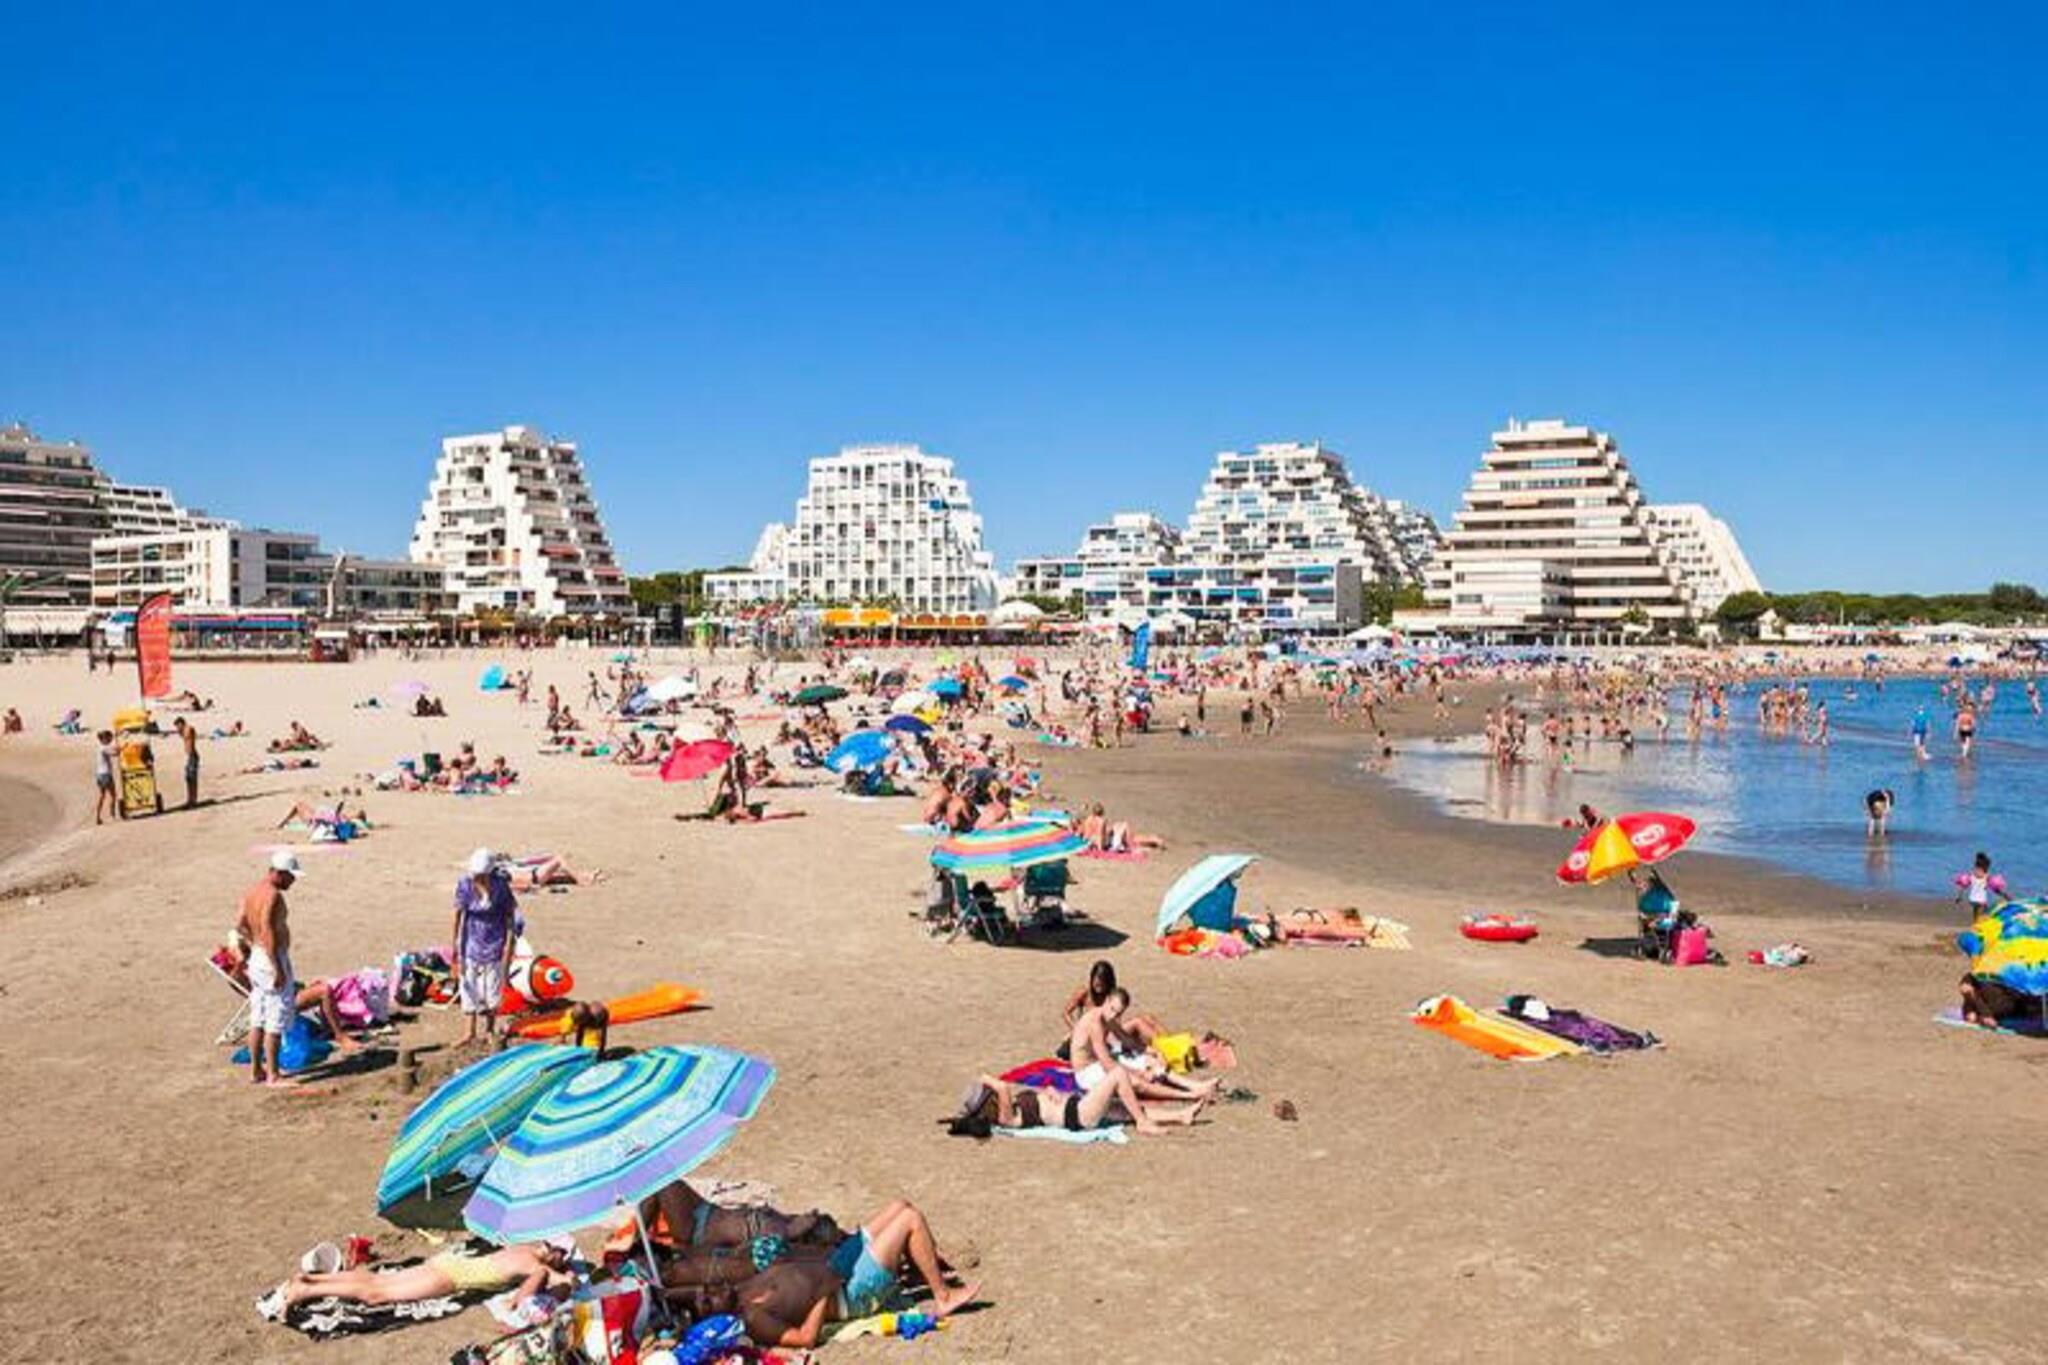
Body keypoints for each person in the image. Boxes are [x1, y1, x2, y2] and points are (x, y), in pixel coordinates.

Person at [673, 1201, 978, 1348]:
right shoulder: (754, 1318)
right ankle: (942, 1295)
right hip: (849, 1292)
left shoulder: (741, 1288)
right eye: (709, 1300)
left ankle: (921, 1267)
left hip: (837, 1265)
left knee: (901, 1205)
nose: (713, 1290)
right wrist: (822, 1295)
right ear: (714, 1318)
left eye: (707, 1290)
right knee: (910, 1219)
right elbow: (805, 1339)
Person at [272, 1241, 573, 1315]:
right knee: (376, 1294)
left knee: (376, 1282)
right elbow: (521, 1300)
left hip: (446, 1263)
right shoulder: (538, 1267)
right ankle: (305, 1291)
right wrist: (567, 1278)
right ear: (555, 1255)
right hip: (450, 1278)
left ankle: (312, 1281)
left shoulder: (523, 1246)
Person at [235, 852, 304, 1087]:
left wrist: (252, 945)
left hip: (257, 955)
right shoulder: (273, 895)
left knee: (258, 1017)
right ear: (278, 873)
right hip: (270, 958)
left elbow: (240, 923)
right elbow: (267, 928)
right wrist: (277, 967)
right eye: (290, 877)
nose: (292, 882)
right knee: (275, 1017)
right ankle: (273, 1075)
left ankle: (256, 1070)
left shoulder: (251, 891)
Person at [452, 848, 521, 1046]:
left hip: (495, 940)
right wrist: (455, 943)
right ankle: (469, 1031)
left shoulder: (500, 887)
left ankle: (490, 1029)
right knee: (469, 984)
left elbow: (510, 914)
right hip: (470, 941)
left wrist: (510, 943)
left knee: (493, 986)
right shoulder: (465, 884)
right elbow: (458, 915)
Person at [1954, 852, 2005, 920]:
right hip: (1981, 901)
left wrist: (1959, 897)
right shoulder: (1987, 877)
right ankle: (1981, 923)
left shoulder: (1971, 875)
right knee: (1986, 912)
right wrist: (2005, 895)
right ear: (1985, 868)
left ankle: (1975, 923)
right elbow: (1995, 889)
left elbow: (1963, 886)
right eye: (1987, 868)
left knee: (1976, 914)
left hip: (1972, 899)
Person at [93, 728, 119, 824]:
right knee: (113, 795)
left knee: (102, 796)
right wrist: (122, 748)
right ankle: (112, 815)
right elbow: (115, 753)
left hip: (99, 774)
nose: (110, 740)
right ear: (104, 738)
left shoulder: (100, 747)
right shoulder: (104, 748)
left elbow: (112, 749)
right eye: (109, 738)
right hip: (106, 774)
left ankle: (97, 817)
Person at [173, 716, 200, 809]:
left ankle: (193, 800)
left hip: (192, 755)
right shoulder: (184, 731)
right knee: (189, 779)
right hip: (190, 756)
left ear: (181, 723)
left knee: (192, 778)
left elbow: (191, 734)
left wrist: (182, 731)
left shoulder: (188, 729)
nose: (177, 728)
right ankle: (190, 799)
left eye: (178, 726)